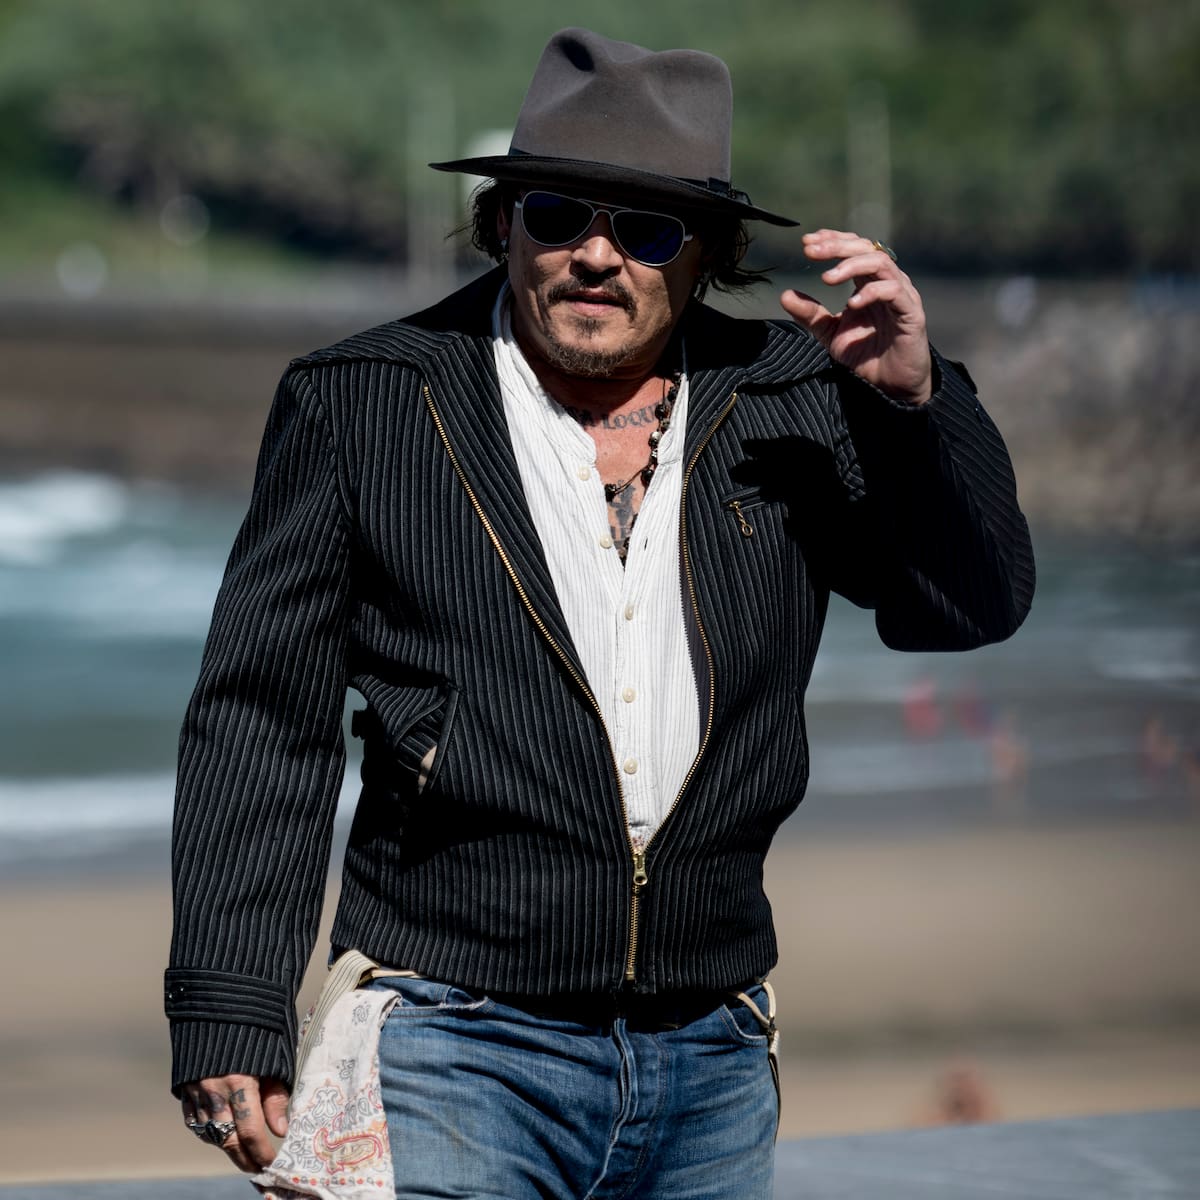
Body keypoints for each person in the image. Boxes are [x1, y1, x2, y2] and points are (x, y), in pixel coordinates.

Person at [166, 27, 1035, 1198]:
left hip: (711, 1053)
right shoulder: (364, 402)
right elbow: (263, 717)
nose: (594, 253)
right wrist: (229, 1004)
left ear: (705, 253)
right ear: (502, 224)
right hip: (448, 1034)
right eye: (557, 214)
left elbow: (970, 602)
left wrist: (915, 408)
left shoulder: (794, 398)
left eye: (647, 229)